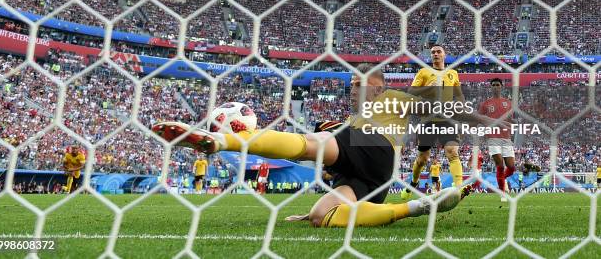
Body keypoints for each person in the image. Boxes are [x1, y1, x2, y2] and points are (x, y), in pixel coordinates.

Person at [153, 65, 475, 228]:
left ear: (378, 87)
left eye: (359, 85)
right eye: (351, 86)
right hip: (377, 178)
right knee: (323, 215)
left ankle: (223, 141)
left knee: (312, 144)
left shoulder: (392, 99)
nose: (353, 90)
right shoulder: (359, 115)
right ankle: (417, 208)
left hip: (374, 147)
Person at [402, 45, 466, 199]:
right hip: (428, 120)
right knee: (423, 158)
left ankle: (459, 188)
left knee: (452, 151)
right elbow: (411, 92)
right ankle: (414, 182)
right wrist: (427, 89)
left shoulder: (453, 74)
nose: (435, 54)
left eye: (438, 52)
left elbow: (459, 96)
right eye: (433, 52)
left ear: (444, 55)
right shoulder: (424, 72)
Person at [479, 78, 515, 201]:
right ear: (491, 87)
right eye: (493, 85)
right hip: (492, 137)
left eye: (497, 85)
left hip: (506, 138)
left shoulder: (508, 103)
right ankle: (502, 193)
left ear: (501, 87)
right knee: (500, 164)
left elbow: (510, 120)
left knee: (511, 167)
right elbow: (481, 119)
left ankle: (502, 180)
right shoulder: (486, 104)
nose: (495, 86)